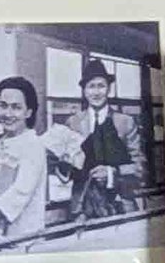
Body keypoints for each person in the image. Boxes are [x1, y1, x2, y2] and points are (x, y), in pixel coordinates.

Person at [49, 54, 135, 226]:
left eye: (101, 86)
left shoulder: (125, 122)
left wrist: (112, 173)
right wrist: (62, 164)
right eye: (91, 86)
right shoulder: (72, 123)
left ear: (109, 89)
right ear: (84, 90)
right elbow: (66, 174)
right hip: (82, 210)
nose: (96, 92)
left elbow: (141, 168)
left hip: (120, 208)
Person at [0, 75, 49, 250]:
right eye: (3, 106)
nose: (8, 114)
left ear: (28, 112)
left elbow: (19, 194)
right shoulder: (5, 143)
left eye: (16, 107)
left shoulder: (33, 145)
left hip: (23, 241)